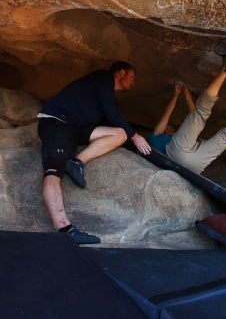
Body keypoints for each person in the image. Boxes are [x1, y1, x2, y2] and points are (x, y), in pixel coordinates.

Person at [36, 61, 151, 244]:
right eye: (131, 77)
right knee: (54, 169)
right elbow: (113, 115)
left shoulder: (108, 96)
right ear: (120, 73)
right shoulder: (102, 78)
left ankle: (76, 162)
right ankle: (65, 228)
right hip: (58, 123)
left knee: (119, 134)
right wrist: (136, 136)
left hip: (78, 128)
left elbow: (114, 123)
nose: (133, 83)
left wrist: (132, 139)